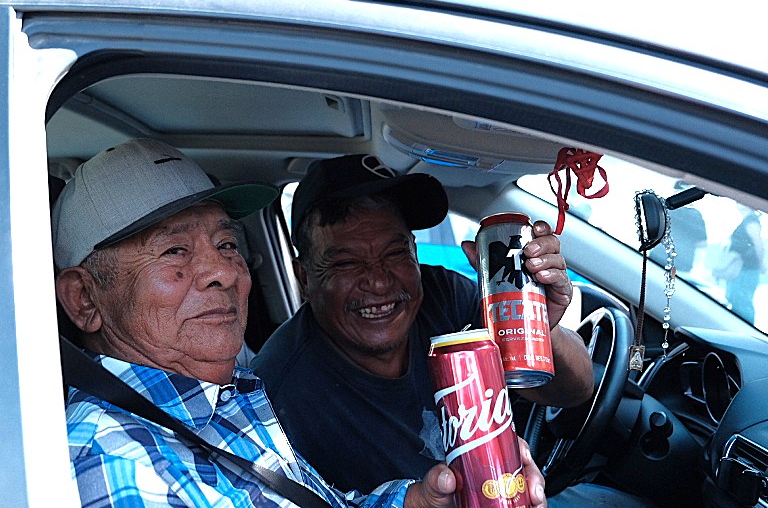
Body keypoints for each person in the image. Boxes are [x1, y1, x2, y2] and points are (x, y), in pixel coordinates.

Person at [52, 139, 548, 507]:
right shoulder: (118, 466)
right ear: (84, 299)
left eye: (227, 245)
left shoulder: (228, 398)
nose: (225, 272)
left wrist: (418, 502)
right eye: (175, 251)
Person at [252, 154, 654, 507]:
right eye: (345, 263)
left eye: (395, 253)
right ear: (304, 277)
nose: (378, 281)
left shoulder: (442, 295)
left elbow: (574, 391)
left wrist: (539, 327)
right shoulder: (276, 392)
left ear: (414, 251)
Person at [725, 208, 765, 324]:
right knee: (736, 301)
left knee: (742, 303)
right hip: (742, 269)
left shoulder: (751, 221)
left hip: (746, 270)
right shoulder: (747, 221)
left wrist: (761, 264)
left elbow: (759, 245)